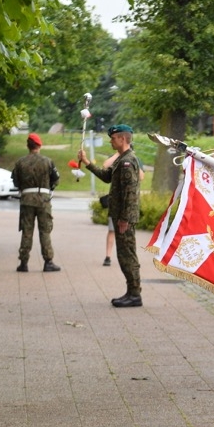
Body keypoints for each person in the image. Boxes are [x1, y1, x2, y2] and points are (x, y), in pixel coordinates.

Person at [80, 125, 142, 307]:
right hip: (121, 216)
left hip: (125, 218)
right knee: (124, 254)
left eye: (113, 138)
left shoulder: (127, 162)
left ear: (123, 139)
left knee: (127, 255)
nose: (110, 141)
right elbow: (107, 177)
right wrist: (87, 162)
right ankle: (131, 292)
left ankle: (134, 294)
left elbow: (130, 194)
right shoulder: (121, 160)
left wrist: (124, 219)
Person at [11, 133, 60, 272]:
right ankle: (48, 261)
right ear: (39, 145)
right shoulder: (48, 161)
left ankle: (24, 262)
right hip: (43, 200)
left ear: (28, 146)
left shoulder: (20, 162)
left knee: (27, 231)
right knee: (45, 231)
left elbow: (15, 181)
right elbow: (56, 180)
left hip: (26, 200)